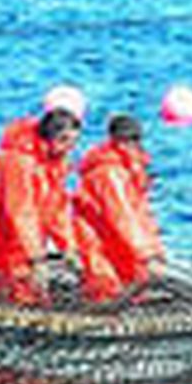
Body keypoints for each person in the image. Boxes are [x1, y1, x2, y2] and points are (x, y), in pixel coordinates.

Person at [0, 86, 85, 306]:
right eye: (67, 142)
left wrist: (69, 248)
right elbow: (21, 214)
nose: (71, 150)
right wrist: (36, 258)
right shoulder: (17, 162)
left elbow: (57, 210)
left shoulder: (53, 164)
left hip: (21, 253)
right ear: (54, 137)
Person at [73, 115, 165, 304]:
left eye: (134, 139)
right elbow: (122, 217)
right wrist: (147, 255)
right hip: (101, 248)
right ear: (115, 141)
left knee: (134, 287)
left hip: (123, 247)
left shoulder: (130, 169)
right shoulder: (108, 174)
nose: (130, 145)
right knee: (106, 291)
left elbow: (141, 215)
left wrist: (155, 250)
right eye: (125, 140)